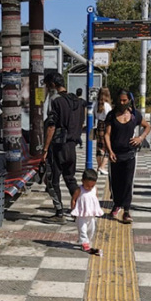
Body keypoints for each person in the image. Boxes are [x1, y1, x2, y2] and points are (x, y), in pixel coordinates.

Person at [42, 73, 85, 220]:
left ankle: (59, 213)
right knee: (70, 178)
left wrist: (45, 148)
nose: (47, 89)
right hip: (72, 146)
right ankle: (78, 210)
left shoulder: (56, 100)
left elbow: (51, 127)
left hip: (58, 147)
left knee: (53, 180)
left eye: (48, 86)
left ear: (53, 85)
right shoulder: (78, 102)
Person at [103, 99, 150, 224]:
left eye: (125, 100)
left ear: (129, 100)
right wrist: (110, 151)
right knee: (116, 182)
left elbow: (147, 126)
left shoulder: (135, 115)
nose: (122, 102)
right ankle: (117, 204)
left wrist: (140, 138)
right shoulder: (111, 115)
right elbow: (107, 134)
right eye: (120, 100)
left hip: (130, 154)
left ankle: (126, 210)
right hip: (115, 154)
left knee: (128, 182)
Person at [70, 168, 103, 255]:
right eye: (87, 186)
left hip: (91, 214)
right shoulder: (79, 189)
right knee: (82, 229)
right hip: (81, 215)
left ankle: (85, 241)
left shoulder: (95, 189)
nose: (89, 188)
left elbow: (95, 199)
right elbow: (74, 199)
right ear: (82, 181)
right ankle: (84, 243)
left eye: (92, 186)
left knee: (91, 229)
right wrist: (73, 210)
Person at [94, 87, 112, 174]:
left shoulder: (96, 104)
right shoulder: (107, 105)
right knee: (107, 147)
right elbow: (110, 116)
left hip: (99, 125)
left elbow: (95, 115)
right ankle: (102, 166)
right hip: (106, 126)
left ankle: (98, 166)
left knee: (99, 147)